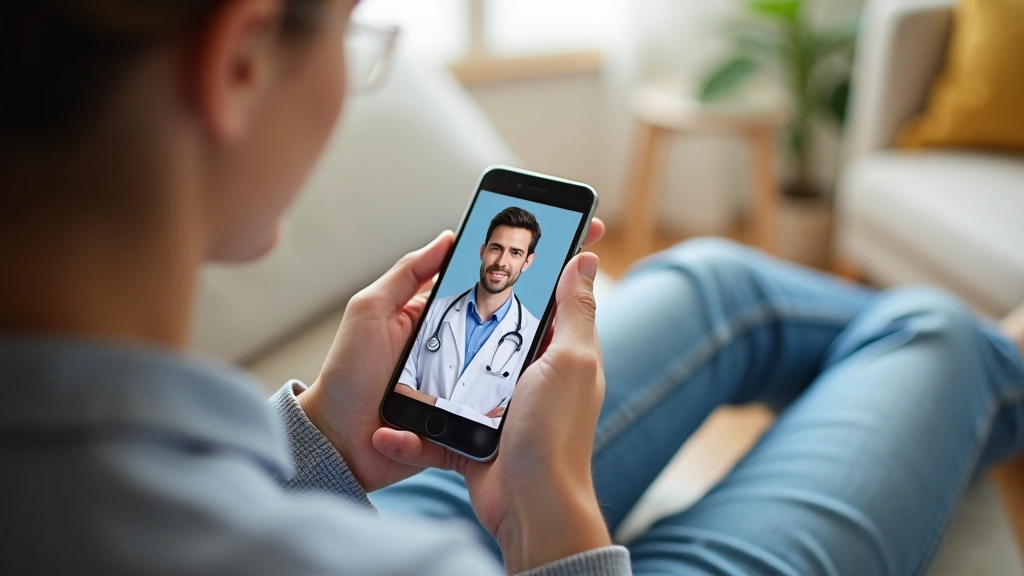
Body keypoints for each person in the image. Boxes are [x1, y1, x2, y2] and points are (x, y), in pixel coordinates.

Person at [3, 1, 1024, 575]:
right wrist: (558, 519)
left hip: (345, 503)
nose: (495, 265)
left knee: (710, 280)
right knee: (929, 333)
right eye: (358, 34)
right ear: (237, 62)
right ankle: (997, 358)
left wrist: (319, 446)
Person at [396, 207, 542, 427]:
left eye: (515, 253)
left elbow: (507, 423)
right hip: (405, 433)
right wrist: (477, 419)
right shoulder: (433, 311)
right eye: (496, 248)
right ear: (482, 251)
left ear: (528, 262)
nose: (501, 261)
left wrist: (426, 402)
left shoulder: (533, 336)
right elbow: (398, 391)